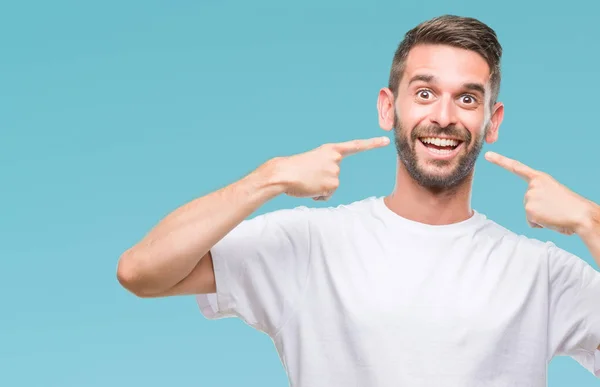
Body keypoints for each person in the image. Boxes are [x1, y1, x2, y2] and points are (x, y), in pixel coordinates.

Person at [116, 14, 600, 387]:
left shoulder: (543, 272)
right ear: (389, 108)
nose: (445, 116)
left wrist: (589, 221)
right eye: (425, 92)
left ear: (492, 123)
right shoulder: (309, 243)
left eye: (467, 99)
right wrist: (270, 177)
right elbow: (142, 272)